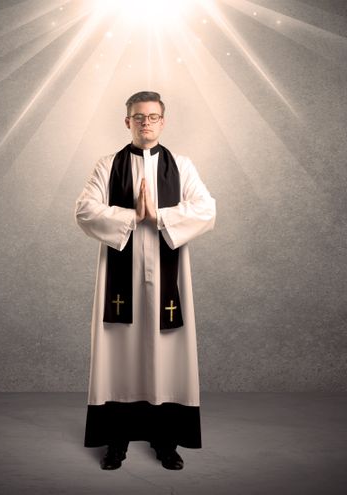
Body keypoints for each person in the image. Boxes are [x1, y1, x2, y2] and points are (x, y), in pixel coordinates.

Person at [75, 91, 216, 470]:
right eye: (139, 117)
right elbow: (85, 210)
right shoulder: (108, 166)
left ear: (163, 121)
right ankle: (116, 441)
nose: (146, 123)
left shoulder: (181, 166)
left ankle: (166, 441)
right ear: (127, 122)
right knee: (119, 355)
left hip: (168, 280)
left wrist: (160, 216)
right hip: (120, 283)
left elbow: (206, 208)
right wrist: (131, 217)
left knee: (167, 355)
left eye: (153, 117)